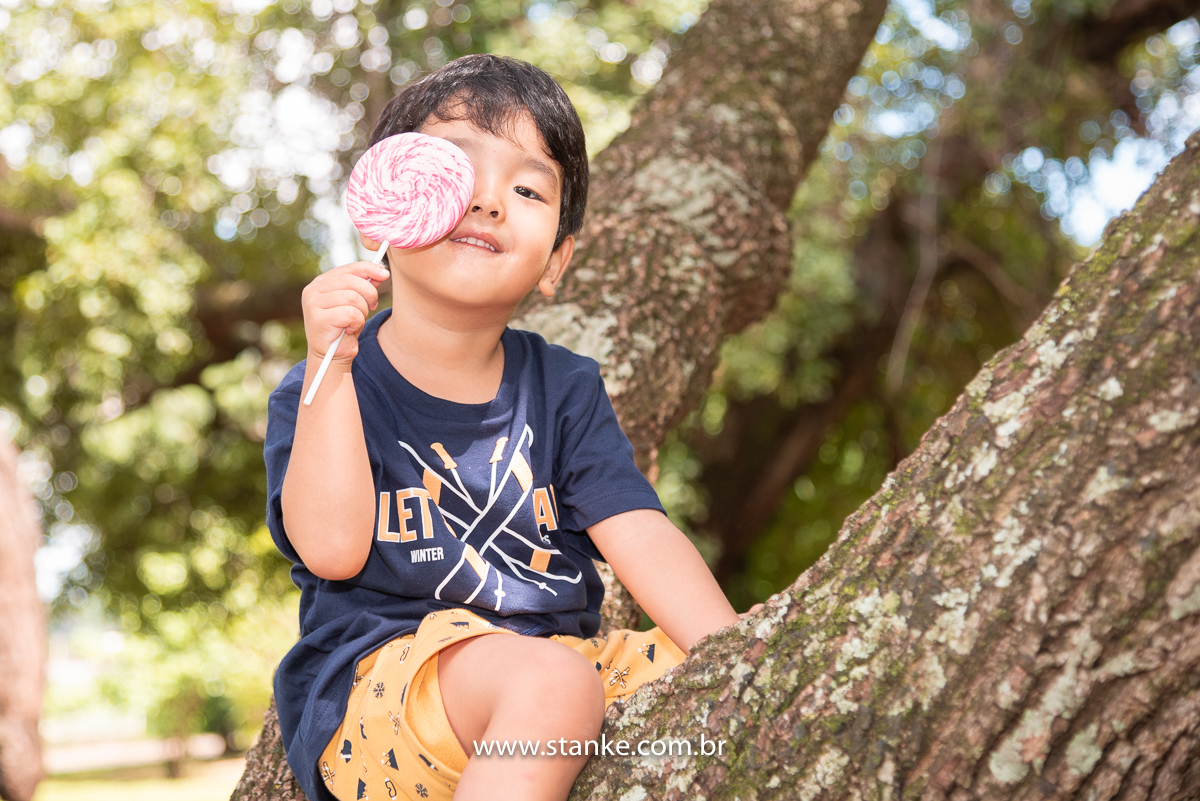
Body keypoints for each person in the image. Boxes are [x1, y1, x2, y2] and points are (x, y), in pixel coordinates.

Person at [264, 54, 747, 801]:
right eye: (456, 171)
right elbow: (330, 549)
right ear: (387, 209)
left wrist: (738, 654)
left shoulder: (566, 386)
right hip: (383, 692)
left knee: (687, 673)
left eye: (527, 188)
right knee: (555, 683)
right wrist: (329, 360)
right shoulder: (328, 384)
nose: (490, 201)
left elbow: (639, 531)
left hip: (549, 682)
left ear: (557, 260)